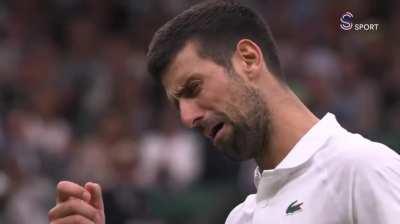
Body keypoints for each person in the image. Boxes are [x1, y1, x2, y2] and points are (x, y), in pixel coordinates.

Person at [48, 1, 400, 224]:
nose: (187, 118)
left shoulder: (360, 168)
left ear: (248, 59)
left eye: (194, 89)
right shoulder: (241, 217)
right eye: (176, 105)